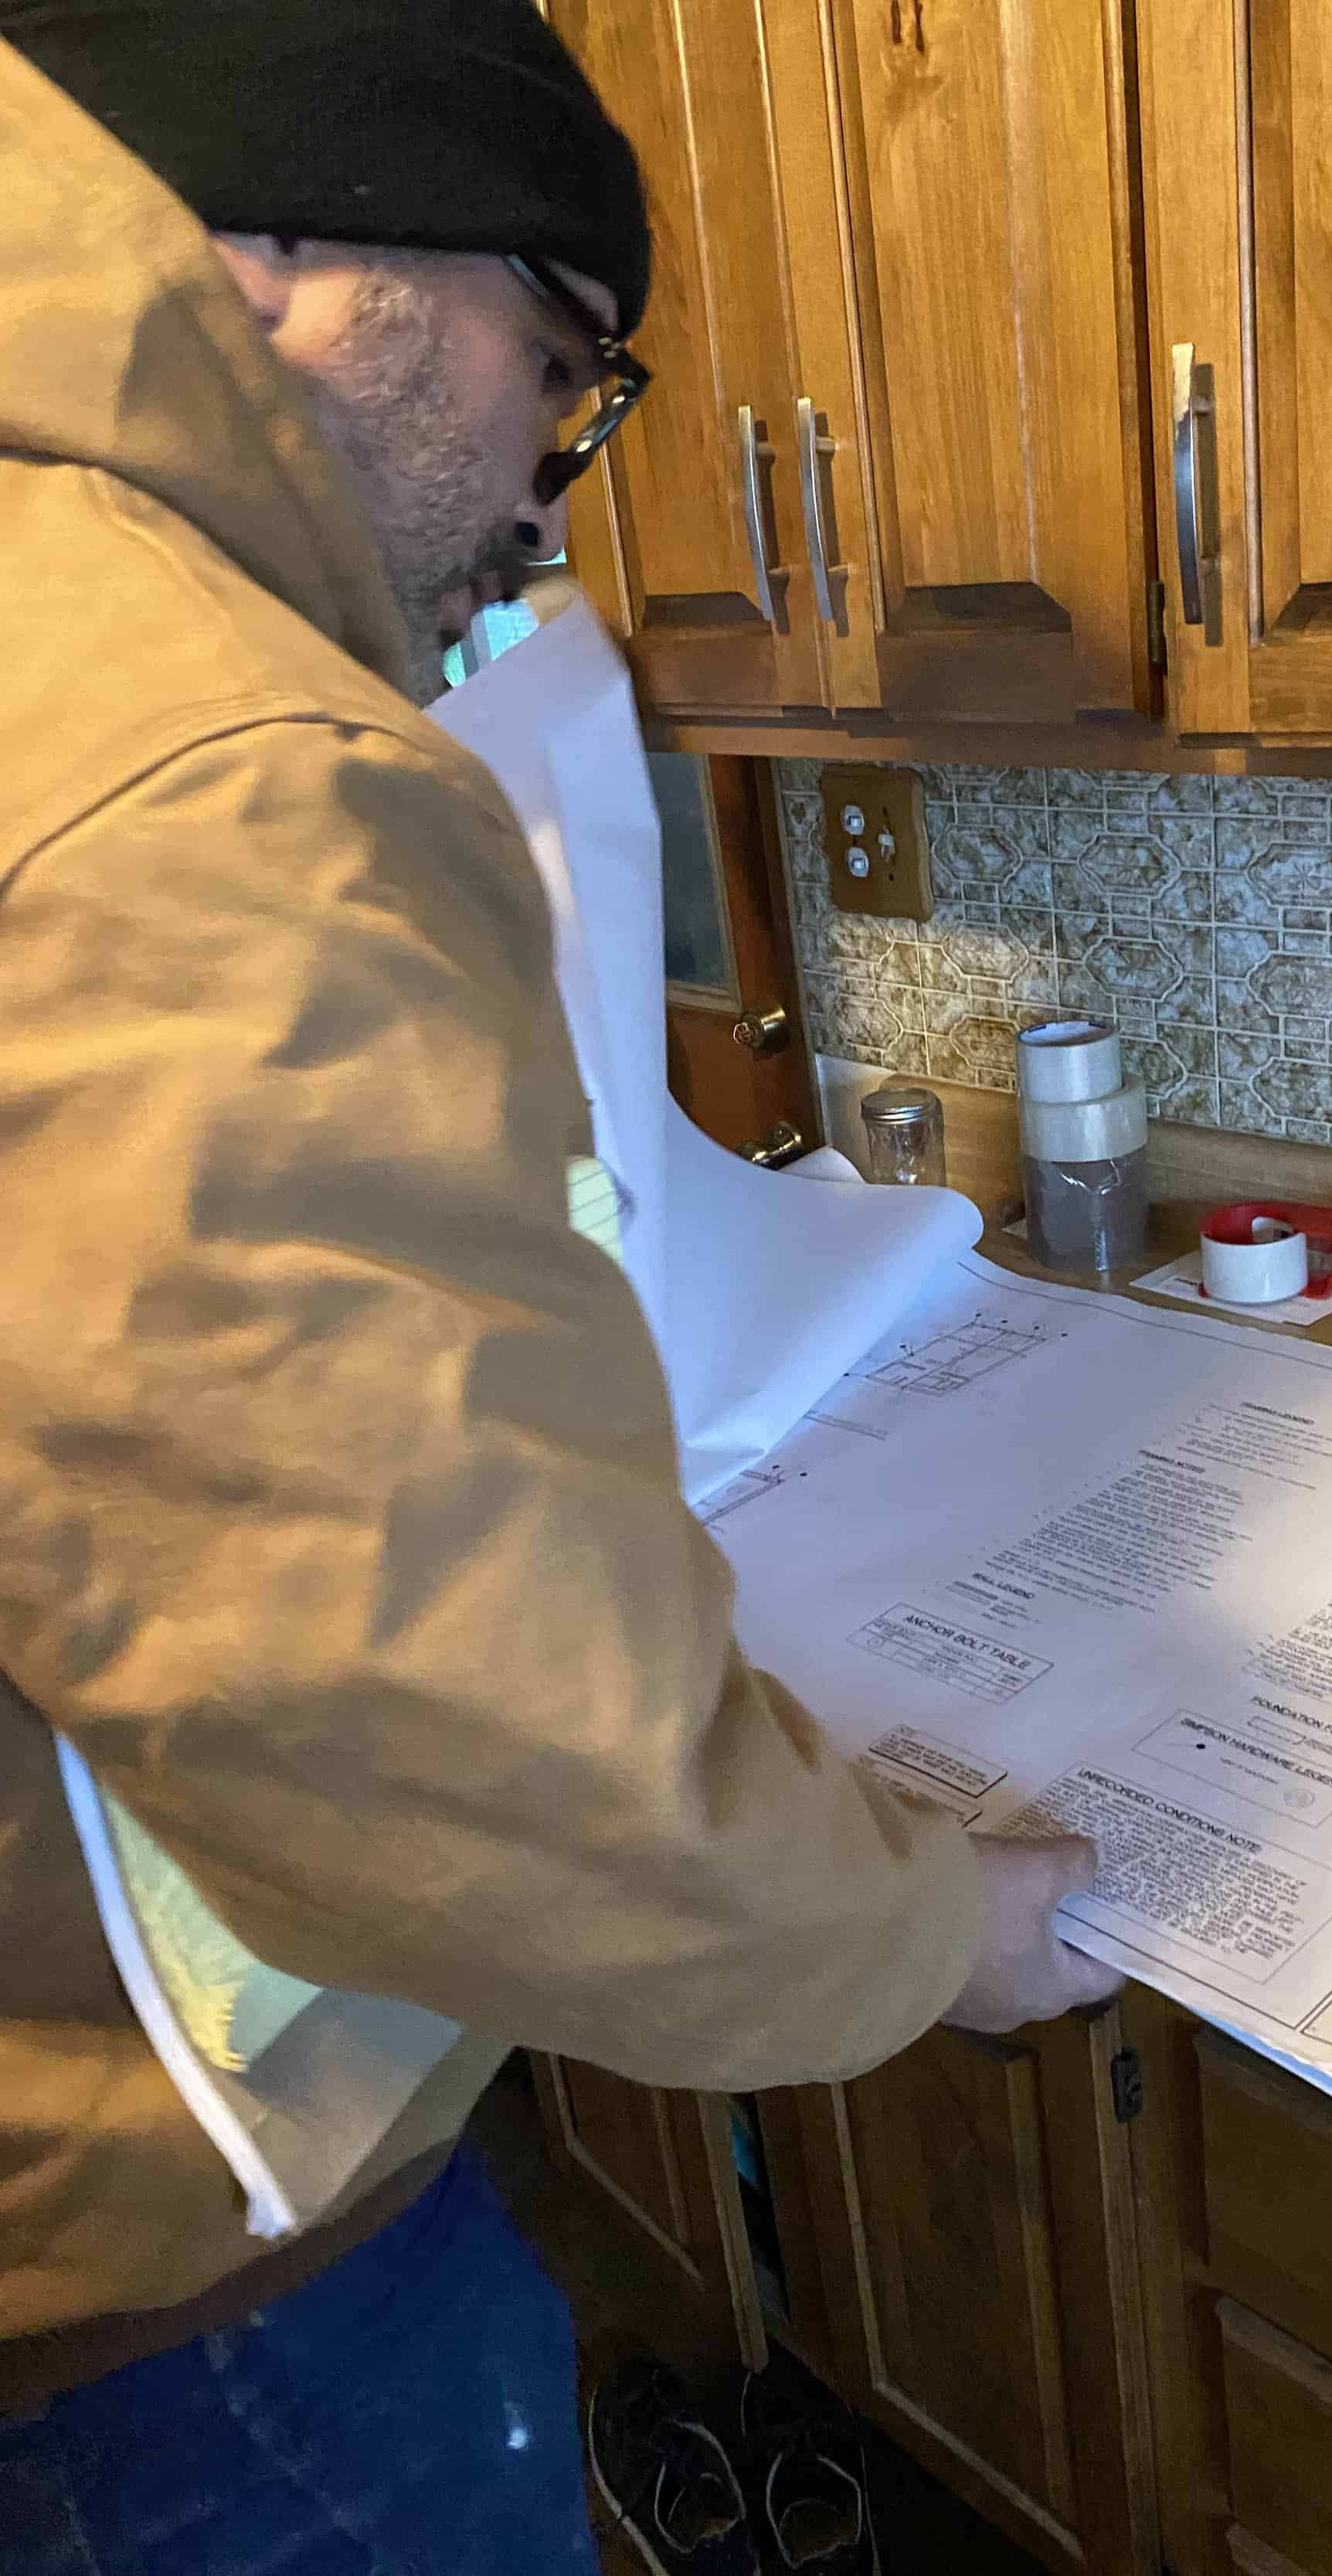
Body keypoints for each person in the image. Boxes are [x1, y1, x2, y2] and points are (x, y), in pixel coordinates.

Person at [0, 6, 1120, 2569]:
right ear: (297, 259)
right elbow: (450, 1730)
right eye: (565, 363)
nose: (543, 491)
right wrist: (922, 1933)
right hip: (174, 2325)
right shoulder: (203, 761)